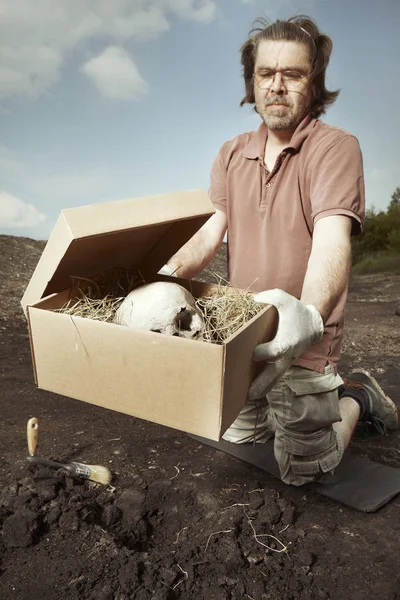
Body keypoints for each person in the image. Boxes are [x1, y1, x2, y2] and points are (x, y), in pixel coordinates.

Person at [159, 15, 398, 486]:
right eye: (266, 73)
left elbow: (332, 241)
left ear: (315, 82)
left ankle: (357, 396)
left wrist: (307, 316)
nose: (277, 86)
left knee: (306, 471)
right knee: (242, 440)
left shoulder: (335, 148)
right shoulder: (231, 153)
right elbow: (210, 235)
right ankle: (288, 409)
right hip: (245, 331)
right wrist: (165, 276)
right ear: (253, 80)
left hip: (305, 336)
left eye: (293, 74)